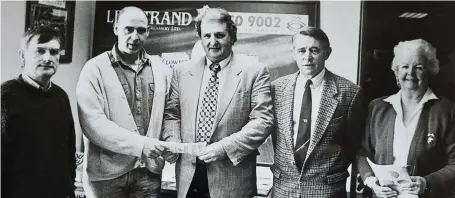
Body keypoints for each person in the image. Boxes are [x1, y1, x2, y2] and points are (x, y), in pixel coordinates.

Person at [162, 7, 274, 198]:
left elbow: (262, 121)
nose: (212, 42)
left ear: (232, 37)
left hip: (232, 179)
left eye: (219, 35)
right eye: (206, 36)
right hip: (189, 179)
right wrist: (173, 141)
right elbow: (172, 113)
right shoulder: (182, 72)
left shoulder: (254, 71)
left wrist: (224, 147)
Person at [76, 6, 176, 198]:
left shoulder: (161, 69)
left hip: (148, 173)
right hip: (106, 177)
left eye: (140, 30)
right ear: (115, 28)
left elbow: (171, 114)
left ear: (148, 31)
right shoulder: (94, 69)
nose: (134, 36)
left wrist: (172, 142)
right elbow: (93, 125)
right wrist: (142, 145)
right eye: (128, 29)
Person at [270, 27, 365, 197]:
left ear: (326, 53)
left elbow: (353, 145)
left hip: (327, 190)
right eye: (301, 50)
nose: (307, 56)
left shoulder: (349, 92)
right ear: (294, 54)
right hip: (284, 188)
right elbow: (278, 138)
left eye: (314, 50)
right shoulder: (277, 88)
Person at [357, 39, 455, 198]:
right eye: (404, 66)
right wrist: (371, 181)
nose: (410, 73)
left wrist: (426, 183)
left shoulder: (447, 110)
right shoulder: (377, 108)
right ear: (396, 71)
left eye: (418, 67)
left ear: (429, 71)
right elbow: (362, 153)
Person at [1, 25, 76, 198]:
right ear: (22, 56)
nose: (48, 58)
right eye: (40, 51)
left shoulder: (61, 97)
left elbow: (68, 153)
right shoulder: (4, 98)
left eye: (54, 52)